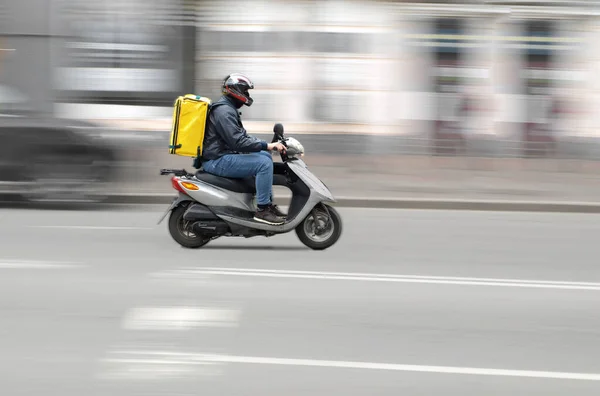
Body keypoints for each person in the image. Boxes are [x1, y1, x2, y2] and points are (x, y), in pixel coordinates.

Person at [201, 73, 288, 226]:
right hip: (217, 160)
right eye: (245, 91)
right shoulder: (224, 111)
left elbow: (241, 137)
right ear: (236, 90)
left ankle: (267, 205)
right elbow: (238, 142)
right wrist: (268, 145)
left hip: (222, 155)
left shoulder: (227, 108)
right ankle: (262, 210)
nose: (247, 95)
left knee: (265, 157)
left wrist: (265, 145)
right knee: (263, 163)